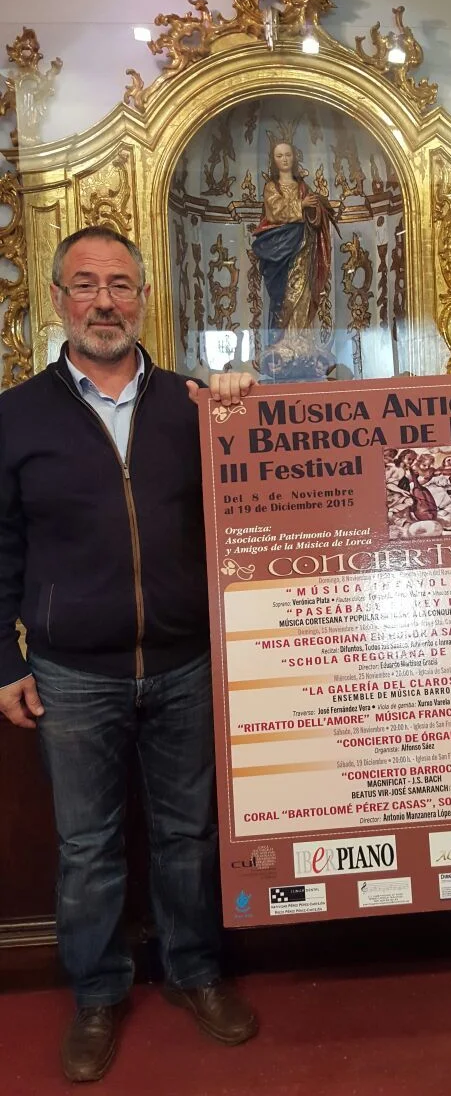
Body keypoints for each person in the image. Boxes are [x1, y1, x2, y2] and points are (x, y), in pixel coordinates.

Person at [0, 226, 256, 1083]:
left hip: (187, 664)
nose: (103, 301)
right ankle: (99, 993)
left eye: (119, 285)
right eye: (84, 285)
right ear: (57, 298)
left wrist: (243, 410)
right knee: (87, 846)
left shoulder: (196, 406)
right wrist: (5, 659)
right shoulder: (14, 416)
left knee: (189, 835)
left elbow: (259, 509)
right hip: (74, 674)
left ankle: (196, 973)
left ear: (144, 298)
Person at [251, 141, 337, 343]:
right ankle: (284, 343)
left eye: (288, 155)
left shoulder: (303, 187)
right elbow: (275, 212)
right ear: (274, 160)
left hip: (304, 247)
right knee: (285, 295)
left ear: (294, 157)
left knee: (303, 292)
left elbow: (314, 218)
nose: (284, 159)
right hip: (281, 249)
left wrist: (317, 208)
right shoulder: (272, 187)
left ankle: (301, 341)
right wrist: (302, 205)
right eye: (279, 156)